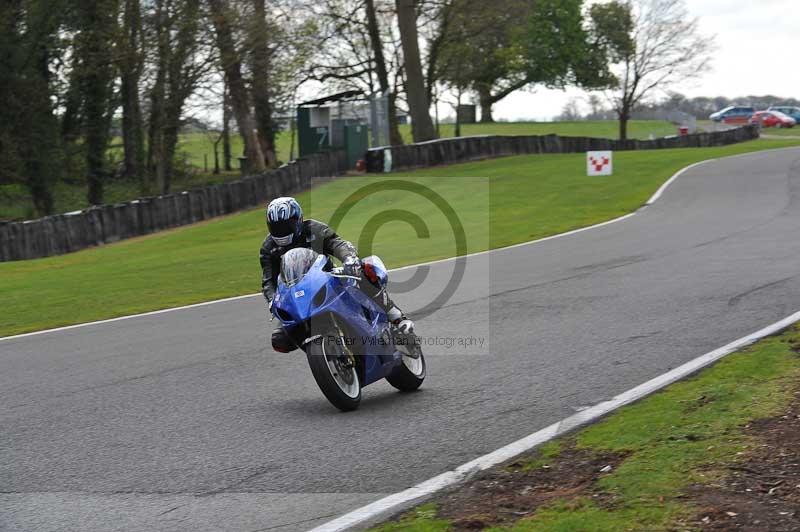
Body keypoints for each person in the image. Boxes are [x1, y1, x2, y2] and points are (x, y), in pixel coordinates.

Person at [260, 196, 414, 352]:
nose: (282, 231)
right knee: (279, 339)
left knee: (365, 269)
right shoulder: (268, 249)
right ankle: (320, 352)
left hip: (325, 278)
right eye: (277, 227)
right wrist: (272, 300)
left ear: (298, 220)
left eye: (286, 226)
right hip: (296, 294)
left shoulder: (314, 229)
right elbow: (268, 281)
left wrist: (349, 259)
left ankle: (395, 315)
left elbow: (337, 244)